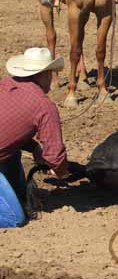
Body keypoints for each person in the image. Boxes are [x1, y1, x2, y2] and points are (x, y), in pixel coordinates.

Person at [0, 47, 70, 228]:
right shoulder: (43, 106)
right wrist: (62, 172)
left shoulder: (5, 85)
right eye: (51, 74)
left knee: (11, 150)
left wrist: (34, 148)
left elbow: (9, 130)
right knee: (15, 217)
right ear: (44, 76)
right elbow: (55, 155)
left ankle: (17, 192)